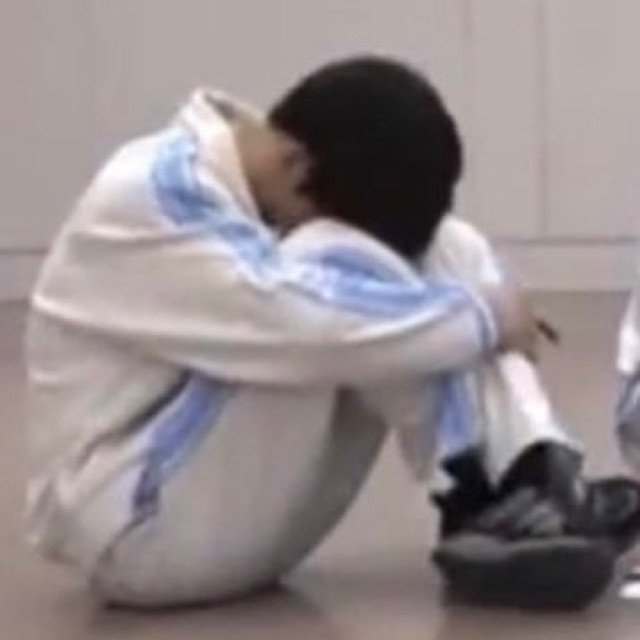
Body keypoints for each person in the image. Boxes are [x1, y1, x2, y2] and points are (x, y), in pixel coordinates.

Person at [26, 56, 640, 610]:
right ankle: (490, 494)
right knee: (342, 259)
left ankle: (526, 485)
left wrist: (474, 306)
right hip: (140, 533)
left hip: (218, 509)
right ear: (295, 165)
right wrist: (486, 317)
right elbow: (304, 328)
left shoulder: (267, 171)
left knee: (439, 245)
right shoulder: (151, 200)